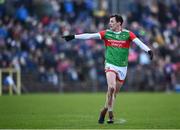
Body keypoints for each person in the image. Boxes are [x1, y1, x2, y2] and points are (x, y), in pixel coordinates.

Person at [62, 14, 153, 124]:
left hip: (123, 67)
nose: (110, 23)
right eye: (109, 21)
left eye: (112, 21)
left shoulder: (128, 34)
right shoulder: (106, 33)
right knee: (111, 87)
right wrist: (74, 36)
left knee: (113, 94)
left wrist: (148, 50)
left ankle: (104, 110)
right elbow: (90, 36)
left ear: (119, 23)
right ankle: (111, 114)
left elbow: (138, 42)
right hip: (110, 65)